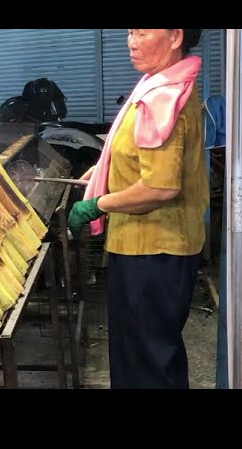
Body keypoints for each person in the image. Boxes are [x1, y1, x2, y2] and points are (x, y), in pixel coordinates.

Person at [67, 29, 209, 389]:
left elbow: (160, 186)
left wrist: (98, 204)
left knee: (148, 363)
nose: (131, 41)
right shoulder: (161, 83)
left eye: (143, 32)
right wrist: (105, 172)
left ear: (175, 36)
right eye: (130, 31)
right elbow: (140, 156)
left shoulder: (164, 97)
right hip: (153, 248)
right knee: (147, 355)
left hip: (154, 252)